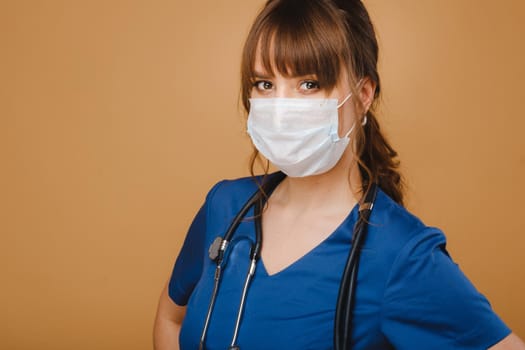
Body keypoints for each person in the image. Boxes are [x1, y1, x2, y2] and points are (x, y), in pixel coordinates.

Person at [154, 0, 525, 349]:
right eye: (265, 84)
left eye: (309, 84)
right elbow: (171, 318)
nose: (281, 108)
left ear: (363, 95)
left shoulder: (400, 253)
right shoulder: (225, 206)